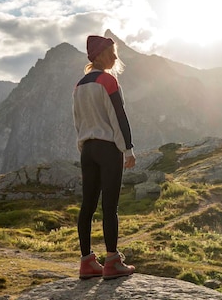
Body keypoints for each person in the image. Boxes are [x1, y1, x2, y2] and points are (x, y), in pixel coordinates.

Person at [72, 35, 137, 280]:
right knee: (110, 206)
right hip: (108, 148)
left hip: (87, 149)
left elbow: (78, 120)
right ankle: (112, 261)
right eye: (111, 53)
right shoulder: (108, 80)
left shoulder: (79, 86)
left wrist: (84, 146)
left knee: (87, 205)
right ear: (99, 55)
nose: (115, 57)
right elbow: (119, 116)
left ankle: (86, 261)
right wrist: (127, 149)